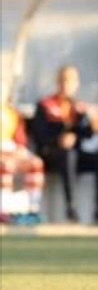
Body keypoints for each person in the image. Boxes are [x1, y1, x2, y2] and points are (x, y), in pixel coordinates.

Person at [31, 65, 98, 222]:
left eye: (71, 80)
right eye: (64, 80)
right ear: (57, 82)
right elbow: (39, 134)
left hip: (76, 153)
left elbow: (87, 134)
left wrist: (81, 130)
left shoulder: (79, 107)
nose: (66, 84)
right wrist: (58, 139)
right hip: (52, 153)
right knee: (68, 156)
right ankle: (71, 208)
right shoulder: (45, 105)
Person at [1, 83, 44, 224]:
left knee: (35, 163)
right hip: (3, 156)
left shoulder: (13, 114)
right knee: (5, 165)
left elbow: (20, 141)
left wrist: (19, 151)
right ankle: (3, 211)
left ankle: (32, 209)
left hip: (11, 151)